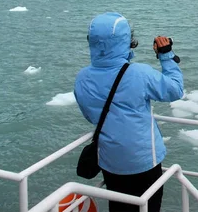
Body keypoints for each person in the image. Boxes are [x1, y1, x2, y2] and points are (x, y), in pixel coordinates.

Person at [74, 12, 184, 212]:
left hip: (109, 161)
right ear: (126, 41)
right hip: (143, 160)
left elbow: (91, 116)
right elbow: (175, 90)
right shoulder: (139, 73)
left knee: (119, 208)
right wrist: (166, 56)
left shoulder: (82, 78)